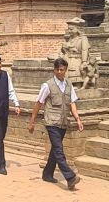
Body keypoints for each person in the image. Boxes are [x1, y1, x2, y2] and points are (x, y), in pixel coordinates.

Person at [28, 57, 83, 190]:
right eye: (57, 69)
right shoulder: (47, 85)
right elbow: (39, 103)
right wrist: (32, 121)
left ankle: (47, 174)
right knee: (59, 150)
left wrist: (78, 119)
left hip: (63, 121)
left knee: (55, 150)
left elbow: (72, 103)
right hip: (51, 122)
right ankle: (70, 177)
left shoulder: (69, 85)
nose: (59, 72)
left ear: (65, 70)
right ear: (54, 70)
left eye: (62, 70)